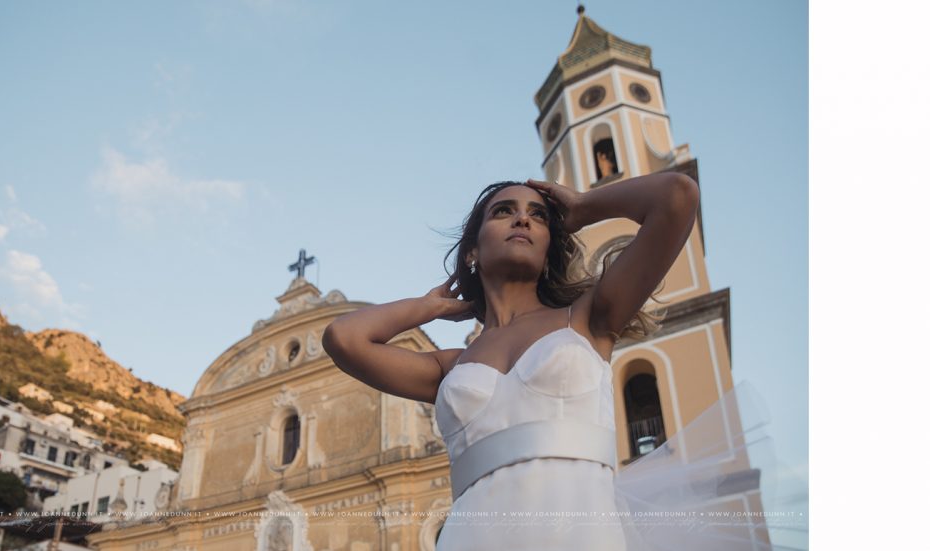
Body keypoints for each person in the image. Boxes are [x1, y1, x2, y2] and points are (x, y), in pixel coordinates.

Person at [322, 174, 807, 550]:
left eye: (537, 215)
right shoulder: (449, 366)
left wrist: (581, 207)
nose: (522, 219)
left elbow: (677, 196)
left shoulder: (589, 317)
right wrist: (429, 305)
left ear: (552, 241)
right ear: (472, 248)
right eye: (503, 211)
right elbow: (343, 338)